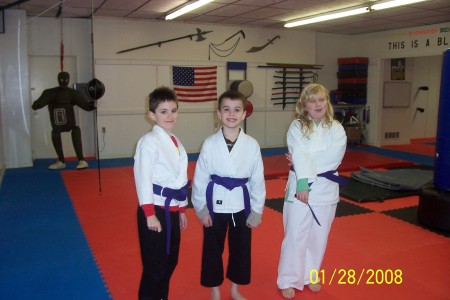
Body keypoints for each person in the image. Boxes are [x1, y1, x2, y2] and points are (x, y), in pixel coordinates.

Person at [191, 90, 266, 300]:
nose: (231, 114)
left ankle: (234, 288)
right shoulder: (209, 143)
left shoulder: (251, 145)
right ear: (218, 113)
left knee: (241, 250)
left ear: (244, 114)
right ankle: (215, 290)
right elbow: (200, 178)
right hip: (214, 206)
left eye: (237, 110)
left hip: (242, 205)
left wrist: (257, 210)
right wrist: (201, 208)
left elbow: (258, 180)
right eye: (226, 109)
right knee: (212, 250)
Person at [277, 83, 347, 299]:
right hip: (299, 188)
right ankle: (288, 279)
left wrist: (302, 161)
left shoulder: (337, 128)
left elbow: (333, 157)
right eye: (312, 100)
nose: (317, 104)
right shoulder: (297, 127)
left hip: (326, 190)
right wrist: (303, 181)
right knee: (295, 235)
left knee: (319, 237)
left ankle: (310, 275)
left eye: (321, 99)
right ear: (304, 105)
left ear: (327, 102)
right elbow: (298, 152)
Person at [133, 86, 189, 300]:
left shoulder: (176, 141)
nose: (170, 116)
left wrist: (182, 208)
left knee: (170, 259)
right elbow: (143, 177)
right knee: (154, 264)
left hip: (172, 209)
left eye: (173, 110)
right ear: (151, 115)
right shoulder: (148, 142)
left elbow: (180, 179)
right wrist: (149, 213)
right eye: (163, 111)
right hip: (154, 209)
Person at [31, 71, 96, 170]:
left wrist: (92, 105)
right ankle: (61, 161)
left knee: (75, 129)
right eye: (62, 79)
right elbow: (38, 104)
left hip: (69, 122)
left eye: (66, 79)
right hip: (56, 124)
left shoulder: (73, 93)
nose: (64, 81)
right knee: (55, 133)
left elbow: (85, 106)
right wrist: (37, 104)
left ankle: (82, 160)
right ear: (58, 79)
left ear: (69, 79)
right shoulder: (50, 92)